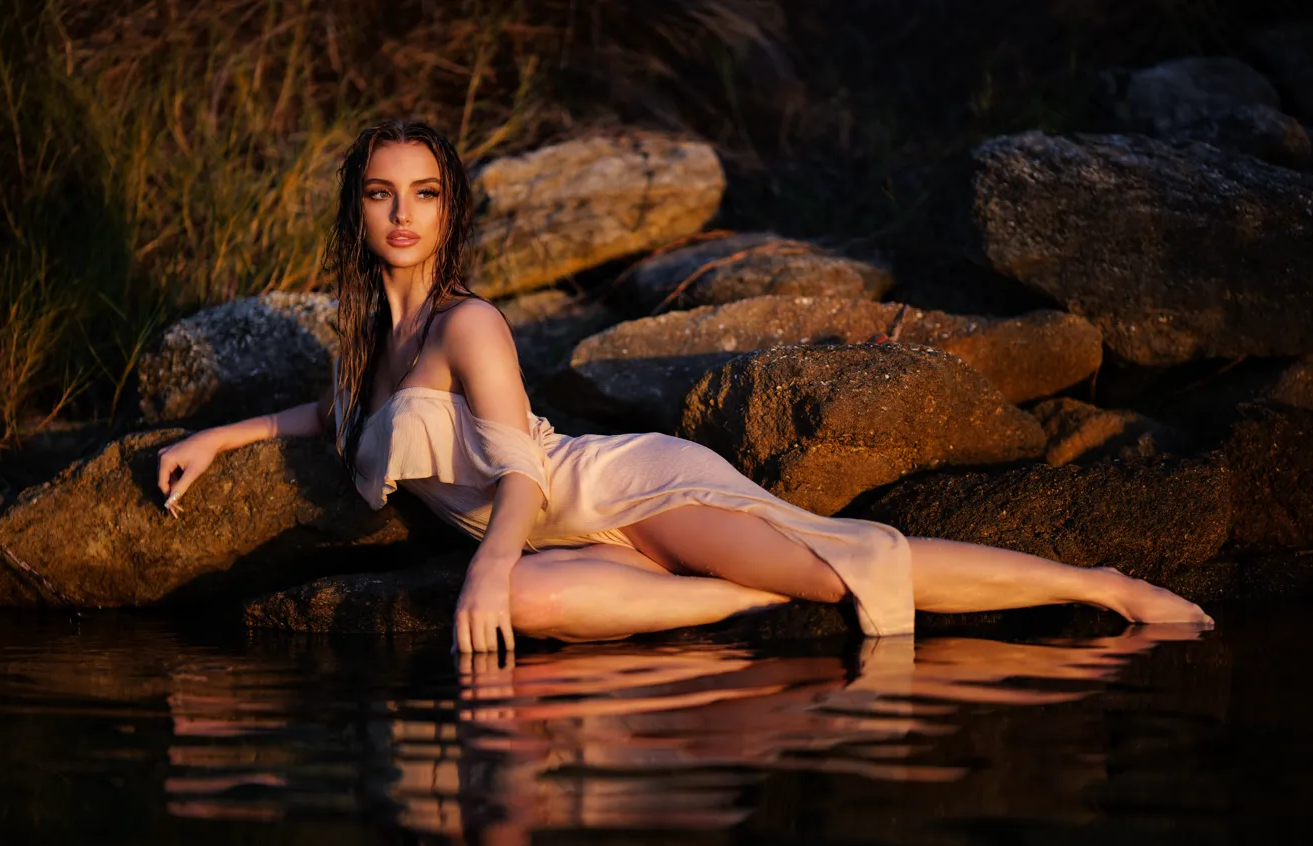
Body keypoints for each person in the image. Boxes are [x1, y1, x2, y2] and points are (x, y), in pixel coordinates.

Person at [156, 119, 1213, 654]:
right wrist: (222, 439)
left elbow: (519, 477)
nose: (401, 213)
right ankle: (747, 597)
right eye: (381, 194)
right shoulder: (364, 345)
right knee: (533, 597)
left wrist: (479, 568)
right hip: (574, 543)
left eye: (423, 194)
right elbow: (341, 416)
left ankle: (1099, 583)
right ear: (357, 211)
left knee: (851, 563)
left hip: (625, 489)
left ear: (449, 213)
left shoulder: (466, 322)